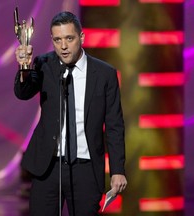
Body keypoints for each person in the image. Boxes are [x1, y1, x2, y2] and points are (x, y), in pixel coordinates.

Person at [14, 11, 127, 216]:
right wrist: (24, 66)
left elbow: (114, 125)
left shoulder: (105, 74)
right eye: (57, 40)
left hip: (85, 168)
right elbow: (23, 93)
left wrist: (118, 170)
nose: (63, 46)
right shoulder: (43, 64)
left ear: (81, 38)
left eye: (69, 38)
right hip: (48, 166)